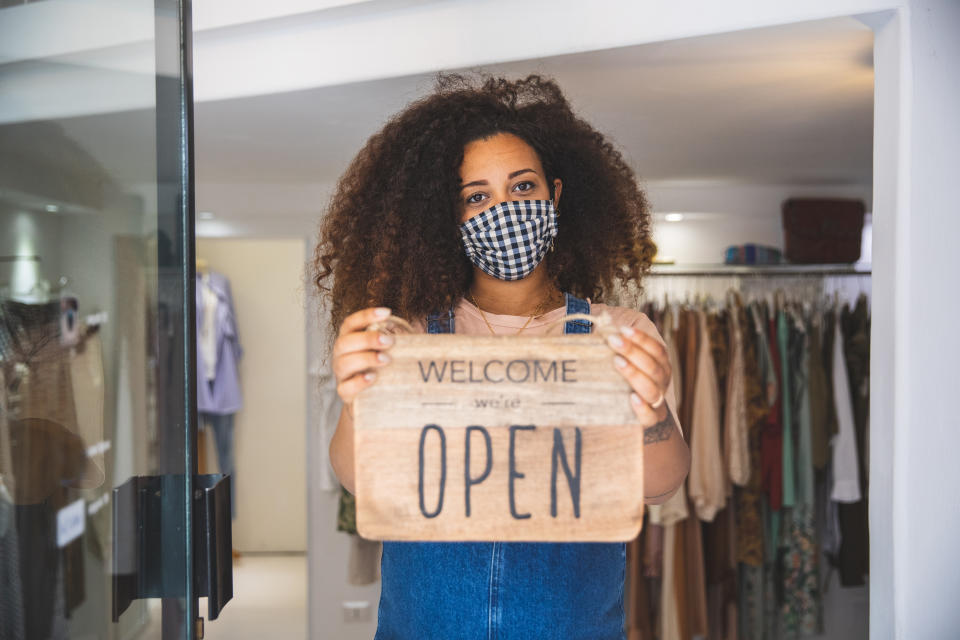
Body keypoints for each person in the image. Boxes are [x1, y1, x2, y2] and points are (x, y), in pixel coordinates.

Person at [312, 74, 690, 640]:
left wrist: (653, 409)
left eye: (522, 187)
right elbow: (362, 482)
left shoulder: (621, 335)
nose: (504, 209)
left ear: (554, 197)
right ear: (453, 216)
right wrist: (356, 400)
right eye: (477, 196)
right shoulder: (409, 335)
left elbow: (662, 486)